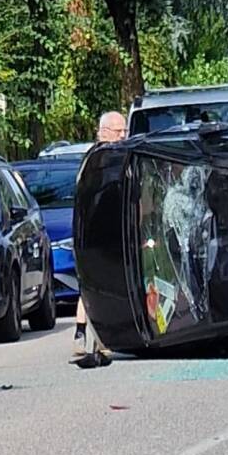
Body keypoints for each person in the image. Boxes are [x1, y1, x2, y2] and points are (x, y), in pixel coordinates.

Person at [72, 111, 128, 355]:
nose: (123, 136)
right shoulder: (96, 159)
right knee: (93, 284)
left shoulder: (120, 154)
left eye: (125, 131)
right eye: (118, 132)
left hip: (117, 230)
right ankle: (86, 334)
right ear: (103, 132)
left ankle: (92, 334)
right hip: (95, 231)